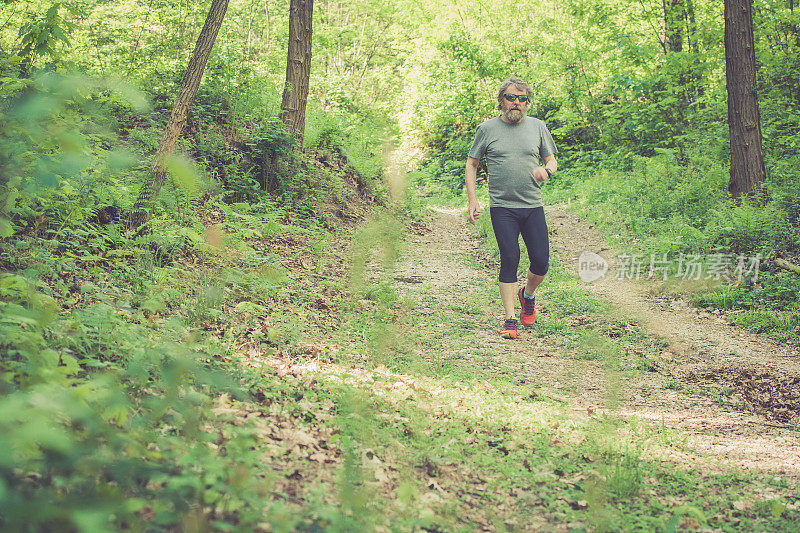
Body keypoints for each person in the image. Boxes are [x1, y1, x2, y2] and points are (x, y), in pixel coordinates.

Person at [465, 77, 558, 339]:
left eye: (522, 98)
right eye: (511, 97)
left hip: (532, 205)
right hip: (502, 207)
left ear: (528, 102)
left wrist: (546, 171)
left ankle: (527, 295)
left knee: (540, 262)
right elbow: (472, 164)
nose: (516, 103)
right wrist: (473, 199)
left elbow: (552, 161)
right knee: (510, 258)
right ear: (501, 101)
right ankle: (510, 319)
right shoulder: (486, 129)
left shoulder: (538, 127)